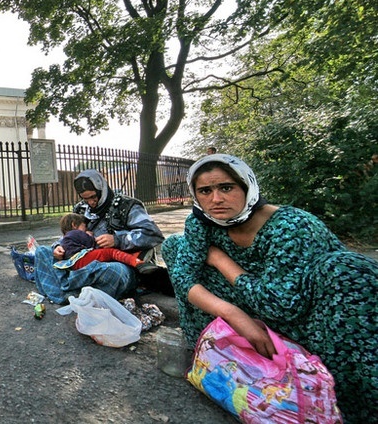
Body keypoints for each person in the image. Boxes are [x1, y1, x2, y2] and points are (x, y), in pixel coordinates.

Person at [161, 154, 378, 422]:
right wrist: (233, 315)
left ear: (247, 187)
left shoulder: (291, 227)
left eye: (226, 188)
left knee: (346, 269)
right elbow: (183, 277)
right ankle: (211, 349)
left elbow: (280, 305)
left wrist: (220, 259)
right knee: (175, 245)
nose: (215, 199)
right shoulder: (202, 221)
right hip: (248, 306)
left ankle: (344, 399)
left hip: (305, 316)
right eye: (205, 191)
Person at [33, 170, 165, 304]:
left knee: (114, 272)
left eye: (93, 197)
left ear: (102, 189)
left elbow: (152, 235)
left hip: (116, 264)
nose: (91, 202)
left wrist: (117, 240)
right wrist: (59, 247)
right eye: (85, 198)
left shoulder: (127, 206)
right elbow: (69, 236)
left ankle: (70, 290)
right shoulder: (81, 209)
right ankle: (70, 294)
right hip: (80, 261)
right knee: (42, 252)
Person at [56, 213, 147, 271]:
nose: (86, 229)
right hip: (80, 259)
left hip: (74, 263)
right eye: (84, 226)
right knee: (111, 252)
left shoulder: (65, 238)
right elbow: (90, 243)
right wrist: (90, 235)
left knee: (105, 255)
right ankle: (135, 261)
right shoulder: (76, 233)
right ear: (74, 225)